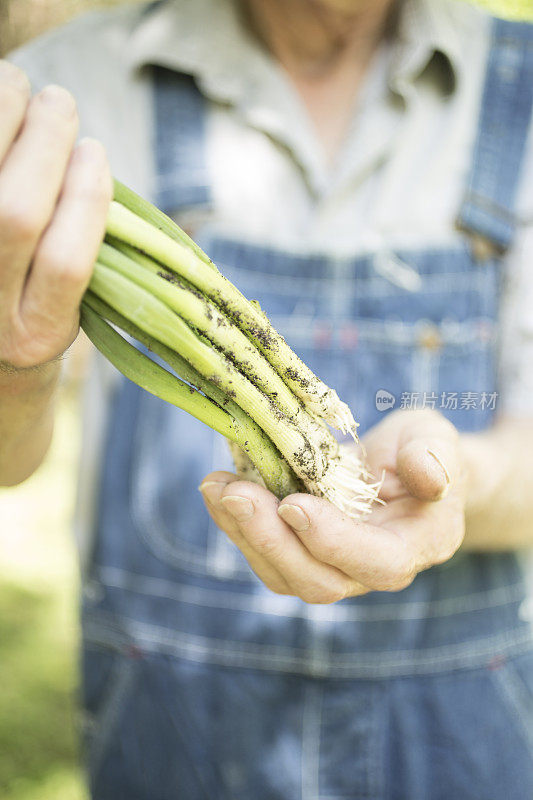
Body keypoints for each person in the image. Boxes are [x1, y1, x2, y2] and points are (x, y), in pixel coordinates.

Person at [2, 0, 533, 796]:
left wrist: (455, 479)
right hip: (171, 735)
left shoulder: (518, 89)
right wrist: (20, 364)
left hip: (460, 748)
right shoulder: (59, 95)